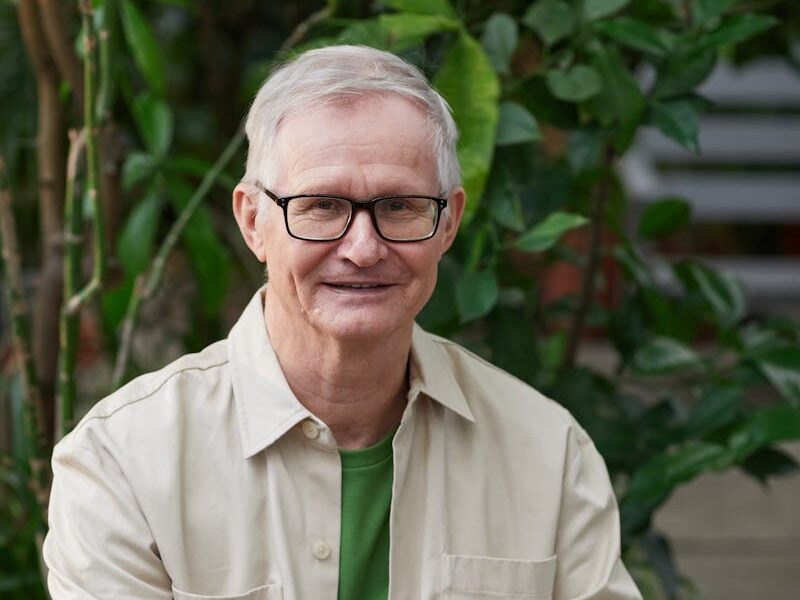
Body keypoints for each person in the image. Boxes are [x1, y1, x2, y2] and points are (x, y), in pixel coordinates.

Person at [44, 45, 642, 600]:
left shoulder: (546, 453)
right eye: (322, 206)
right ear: (253, 221)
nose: (362, 248)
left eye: (400, 207)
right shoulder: (123, 462)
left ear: (449, 223)